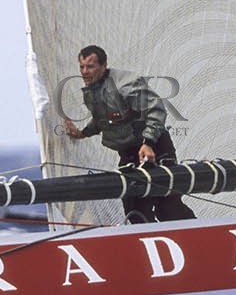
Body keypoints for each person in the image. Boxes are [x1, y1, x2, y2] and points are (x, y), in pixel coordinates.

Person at [61, 44, 195, 222]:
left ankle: (198, 239)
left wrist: (148, 143)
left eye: (90, 66)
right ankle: (148, 243)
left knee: (167, 206)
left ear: (103, 66)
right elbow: (105, 118)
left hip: (154, 147)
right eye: (82, 67)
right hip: (130, 153)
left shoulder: (125, 84)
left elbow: (156, 109)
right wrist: (82, 133)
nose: (85, 72)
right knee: (134, 209)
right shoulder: (93, 89)